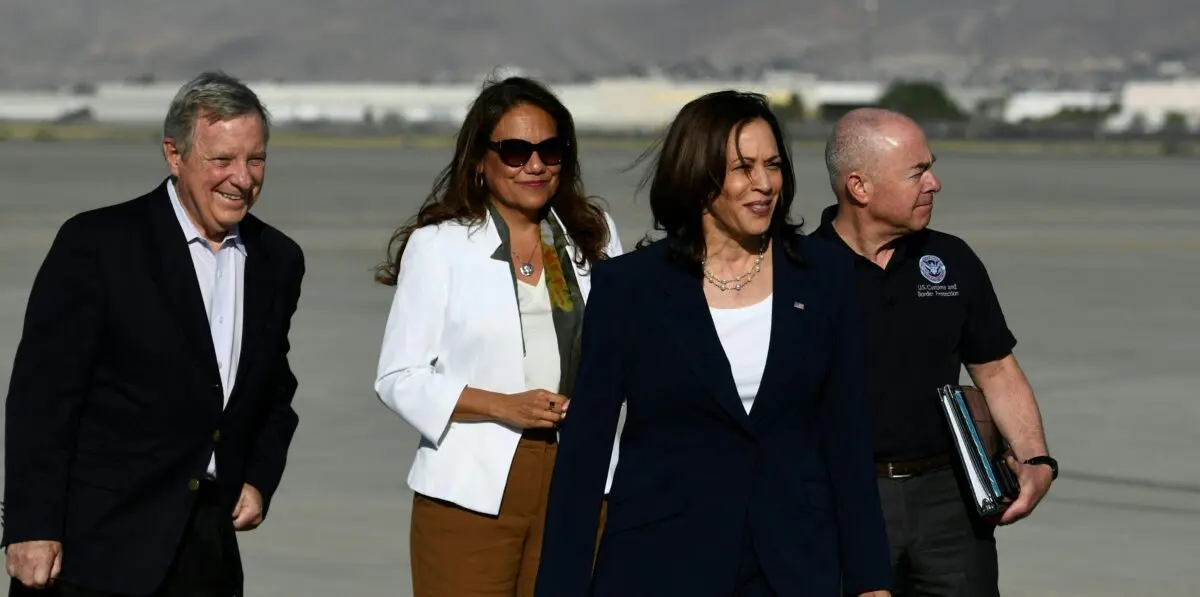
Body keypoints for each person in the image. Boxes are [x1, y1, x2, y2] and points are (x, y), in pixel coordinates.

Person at [534, 90, 892, 597]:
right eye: (743, 167)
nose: (764, 183)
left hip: (793, 564)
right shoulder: (628, 289)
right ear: (699, 176)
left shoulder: (825, 276)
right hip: (660, 562)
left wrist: (870, 581)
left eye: (773, 165)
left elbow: (848, 441)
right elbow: (584, 460)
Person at [2, 71, 304, 597]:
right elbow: (41, 398)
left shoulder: (277, 260)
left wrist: (258, 476)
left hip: (207, 549)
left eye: (255, 160)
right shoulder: (97, 244)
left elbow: (274, 388)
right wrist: (30, 526)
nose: (242, 178)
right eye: (222, 160)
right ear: (174, 154)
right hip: (91, 546)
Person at [372, 76, 624, 597]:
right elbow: (399, 378)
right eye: (515, 151)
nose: (534, 165)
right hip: (471, 491)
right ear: (480, 160)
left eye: (550, 150)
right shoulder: (439, 247)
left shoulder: (591, 234)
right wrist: (503, 406)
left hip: (582, 477)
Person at [813, 107, 1057, 596]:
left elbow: (997, 369)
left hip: (950, 502)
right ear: (859, 188)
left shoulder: (951, 260)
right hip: (841, 500)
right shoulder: (798, 270)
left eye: (931, 166)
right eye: (917, 172)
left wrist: (1035, 460)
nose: (935, 184)